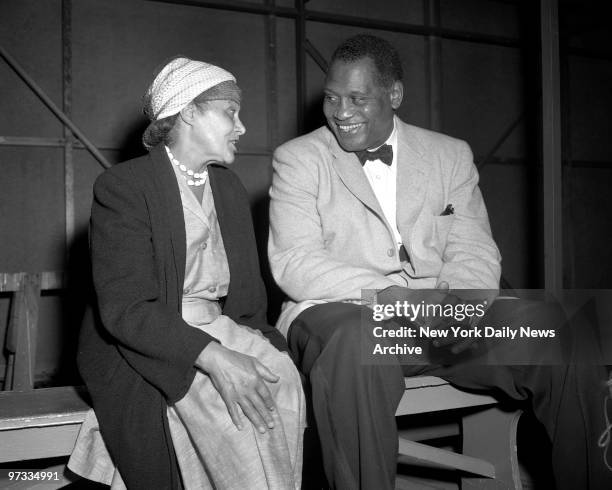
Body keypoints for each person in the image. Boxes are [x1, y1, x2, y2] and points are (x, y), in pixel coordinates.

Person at [268, 34, 612, 489]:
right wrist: (396, 299)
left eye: (357, 98)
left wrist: (450, 307)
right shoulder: (298, 159)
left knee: (567, 332)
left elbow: (474, 249)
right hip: (349, 313)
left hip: (442, 319)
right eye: (332, 98)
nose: (341, 112)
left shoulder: (451, 154)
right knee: (355, 342)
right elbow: (295, 261)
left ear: (394, 95)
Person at [68, 56, 305, 490]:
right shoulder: (125, 187)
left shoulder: (229, 189)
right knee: (231, 409)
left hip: (219, 324)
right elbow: (126, 309)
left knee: (284, 383)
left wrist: (271, 349)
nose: (242, 126)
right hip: (150, 338)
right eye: (230, 111)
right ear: (190, 112)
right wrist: (214, 357)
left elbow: (249, 301)